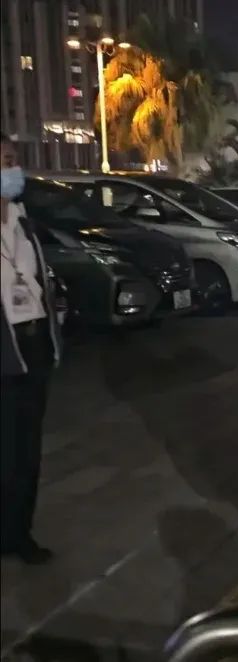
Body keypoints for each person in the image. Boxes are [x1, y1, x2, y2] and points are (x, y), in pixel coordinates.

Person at [1, 133, 62, 564]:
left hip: (34, 344)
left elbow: (39, 280)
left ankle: (19, 534)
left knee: (27, 451)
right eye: (4, 161)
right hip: (4, 353)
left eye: (13, 160)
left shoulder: (23, 223)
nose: (12, 170)